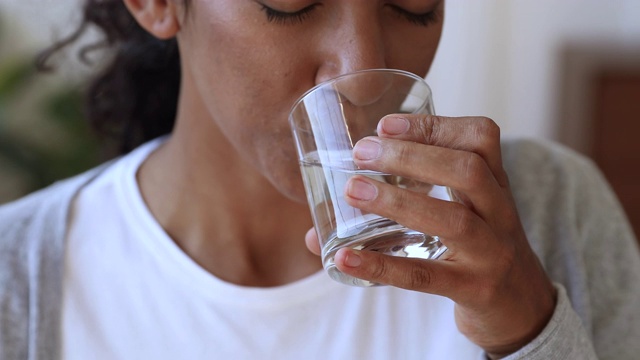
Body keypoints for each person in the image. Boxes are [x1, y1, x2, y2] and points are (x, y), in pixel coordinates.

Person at [1, 0, 639, 359]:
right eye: (291, 3)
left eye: (411, 4)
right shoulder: (19, 281)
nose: (363, 68)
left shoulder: (549, 214)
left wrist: (529, 333)